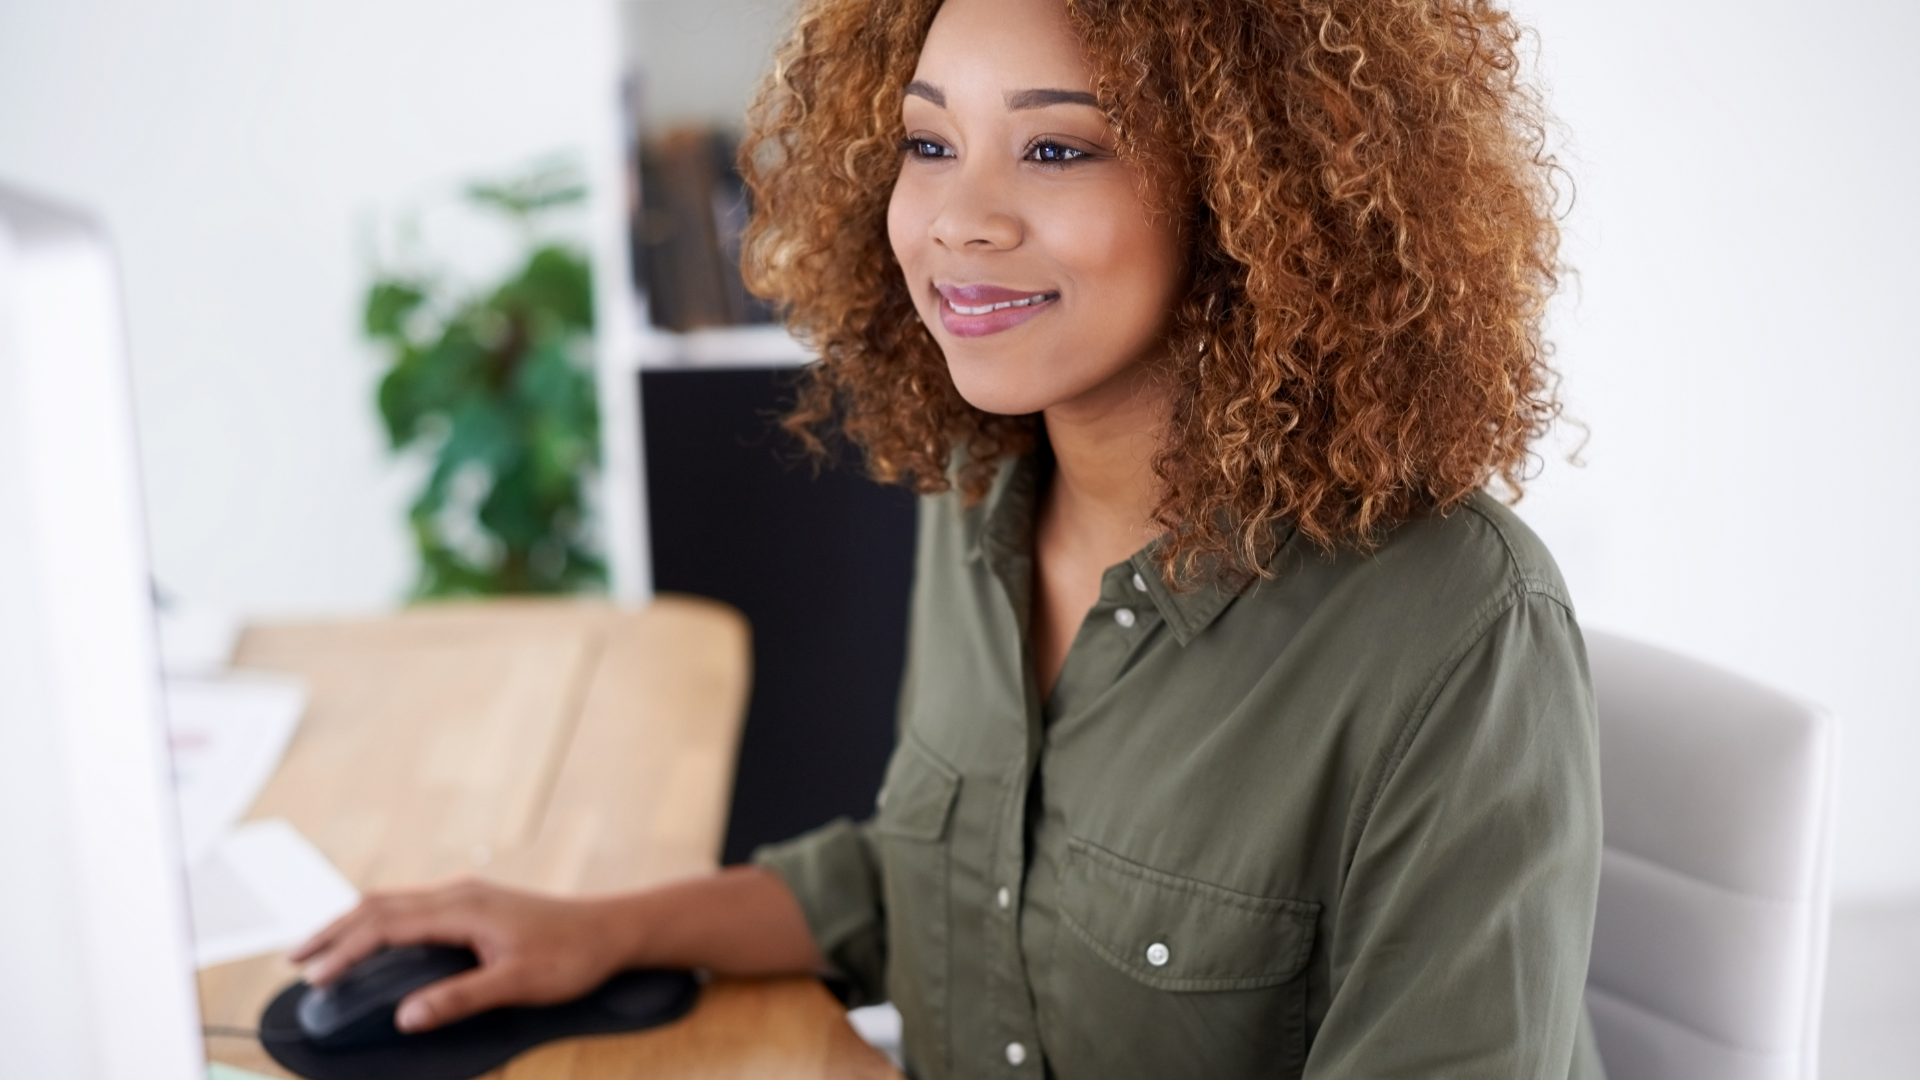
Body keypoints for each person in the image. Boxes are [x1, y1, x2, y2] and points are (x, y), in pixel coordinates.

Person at [294, 0, 1606, 1075]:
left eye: (1055, 149)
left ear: (1256, 193)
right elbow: (942, 879)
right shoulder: (981, 495)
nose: (957, 222)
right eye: (929, 145)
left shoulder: (1456, 631)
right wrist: (601, 932)